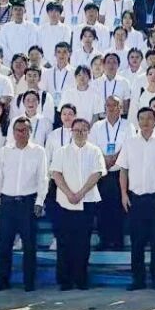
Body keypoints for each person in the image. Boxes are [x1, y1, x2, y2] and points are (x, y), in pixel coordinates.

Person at [119, 107, 155, 291]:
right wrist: (124, 194)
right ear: (137, 121)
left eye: (149, 118)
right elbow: (123, 170)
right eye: (142, 118)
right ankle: (138, 280)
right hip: (136, 199)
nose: (145, 122)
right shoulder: (130, 142)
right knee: (137, 242)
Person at [0, 117, 47, 292]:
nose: (21, 133)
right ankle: (2, 280)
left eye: (24, 130)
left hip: (28, 202)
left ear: (30, 132)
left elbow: (43, 178)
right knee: (5, 244)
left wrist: (40, 201)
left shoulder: (39, 152)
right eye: (18, 130)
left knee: (29, 245)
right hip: (7, 202)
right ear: (13, 132)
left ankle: (29, 282)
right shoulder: (5, 151)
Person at [49, 117, 104, 290]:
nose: (80, 133)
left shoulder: (94, 151)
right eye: (77, 130)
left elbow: (97, 174)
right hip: (64, 203)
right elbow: (56, 174)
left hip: (87, 202)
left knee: (83, 243)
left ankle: (81, 279)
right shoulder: (61, 152)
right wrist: (69, 194)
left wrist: (80, 193)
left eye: (83, 130)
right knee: (64, 242)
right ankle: (64, 280)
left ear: (88, 132)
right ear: (71, 132)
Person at [90, 95, 129, 249]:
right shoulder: (97, 126)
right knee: (102, 207)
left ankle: (118, 240)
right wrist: (104, 160)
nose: (111, 108)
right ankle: (104, 240)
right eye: (108, 105)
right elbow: (92, 147)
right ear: (104, 108)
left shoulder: (128, 125)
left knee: (119, 208)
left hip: (120, 172)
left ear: (121, 108)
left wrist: (114, 158)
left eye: (115, 105)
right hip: (102, 172)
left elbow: (129, 146)